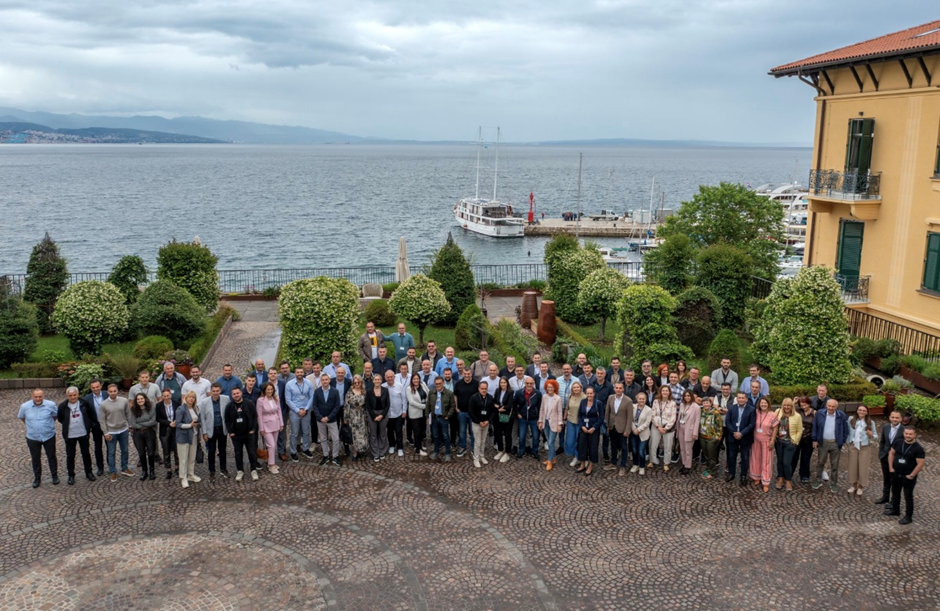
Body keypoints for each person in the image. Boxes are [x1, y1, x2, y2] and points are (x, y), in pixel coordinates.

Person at [885, 427, 926, 524]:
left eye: (910, 434)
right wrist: (891, 468)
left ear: (915, 435)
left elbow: (920, 464)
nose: (908, 436)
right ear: (903, 433)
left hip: (908, 476)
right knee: (895, 492)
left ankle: (908, 516)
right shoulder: (898, 442)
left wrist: (912, 475)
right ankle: (895, 510)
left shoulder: (918, 449)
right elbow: (891, 453)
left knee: (908, 496)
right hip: (896, 473)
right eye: (906, 433)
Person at [20, 389, 59, 487]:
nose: (38, 399)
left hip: (48, 436)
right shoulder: (25, 407)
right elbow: (22, 417)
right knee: (35, 458)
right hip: (33, 437)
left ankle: (54, 476)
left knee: (51, 456)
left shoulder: (51, 405)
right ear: (32, 396)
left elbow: (55, 416)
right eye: (36, 397)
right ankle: (37, 478)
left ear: (43, 396)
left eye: (40, 397)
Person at [57, 386, 96, 485]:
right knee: (70, 455)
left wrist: (89, 426)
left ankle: (89, 472)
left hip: (83, 433)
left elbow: (91, 415)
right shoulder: (62, 406)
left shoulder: (84, 403)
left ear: (78, 394)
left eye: (74, 395)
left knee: (86, 454)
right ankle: (71, 475)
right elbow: (61, 418)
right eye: (70, 395)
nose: (73, 397)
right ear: (67, 396)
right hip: (70, 435)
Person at [811, 399, 849, 493]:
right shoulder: (820, 413)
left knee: (834, 465)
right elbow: (815, 426)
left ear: (836, 407)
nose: (831, 408)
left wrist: (842, 441)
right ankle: (818, 480)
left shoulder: (842, 415)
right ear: (826, 406)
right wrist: (815, 439)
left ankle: (833, 483)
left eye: (833, 406)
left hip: (835, 443)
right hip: (823, 442)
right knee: (820, 462)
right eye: (829, 406)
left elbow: (845, 429)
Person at [100, 384, 135, 481]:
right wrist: (106, 433)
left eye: (114, 391)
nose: (113, 393)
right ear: (108, 392)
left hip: (123, 430)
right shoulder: (104, 404)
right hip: (111, 432)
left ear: (117, 391)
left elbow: (128, 414)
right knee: (111, 453)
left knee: (125, 450)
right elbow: (102, 420)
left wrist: (130, 425)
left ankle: (124, 468)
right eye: (111, 391)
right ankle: (113, 471)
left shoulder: (123, 401)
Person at [226, 387, 261, 481]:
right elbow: (227, 420)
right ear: (232, 395)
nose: (236, 395)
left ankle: (253, 470)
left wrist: (253, 429)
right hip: (236, 435)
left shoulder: (249, 403)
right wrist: (230, 432)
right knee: (238, 453)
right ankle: (240, 470)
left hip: (248, 433)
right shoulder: (229, 406)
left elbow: (254, 416)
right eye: (234, 394)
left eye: (237, 393)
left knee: (251, 452)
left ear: (241, 393)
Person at [199, 383, 232, 479]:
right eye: (213, 391)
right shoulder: (204, 402)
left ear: (220, 390)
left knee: (222, 450)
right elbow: (203, 418)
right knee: (211, 451)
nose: (215, 393)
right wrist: (204, 432)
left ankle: (223, 469)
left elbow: (229, 413)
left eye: (217, 391)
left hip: (222, 429)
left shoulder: (226, 399)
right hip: (210, 430)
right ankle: (212, 470)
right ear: (211, 391)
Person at [846, 404, 878, 497]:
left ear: (867, 412)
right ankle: (853, 484)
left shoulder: (870, 422)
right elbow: (847, 431)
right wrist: (848, 441)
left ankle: (860, 486)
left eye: (864, 410)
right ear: (857, 410)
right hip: (853, 445)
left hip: (864, 446)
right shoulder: (851, 419)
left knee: (863, 466)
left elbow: (876, 436)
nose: (862, 412)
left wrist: (871, 435)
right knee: (852, 466)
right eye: (860, 410)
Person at [725, 392, 755, 486]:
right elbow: (727, 421)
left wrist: (741, 433)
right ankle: (731, 473)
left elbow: (752, 424)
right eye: (739, 398)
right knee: (731, 456)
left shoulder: (751, 409)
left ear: (746, 399)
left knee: (745, 458)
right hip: (733, 436)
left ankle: (743, 475)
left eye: (743, 398)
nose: (741, 399)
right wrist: (734, 432)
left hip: (745, 437)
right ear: (737, 399)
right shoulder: (731, 408)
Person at [284, 367, 314, 462]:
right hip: (295, 412)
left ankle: (305, 448)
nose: (300, 373)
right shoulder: (289, 384)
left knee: (306, 431)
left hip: (306, 411)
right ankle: (293, 452)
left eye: (301, 372)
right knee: (294, 433)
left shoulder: (308, 383)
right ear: (295, 373)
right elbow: (288, 400)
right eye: (298, 372)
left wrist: (306, 409)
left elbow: (311, 397)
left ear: (303, 373)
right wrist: (298, 410)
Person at [604, 382, 634, 475]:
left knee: (624, 447)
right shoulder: (610, 398)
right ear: (614, 389)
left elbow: (630, 417)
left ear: (623, 389)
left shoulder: (628, 401)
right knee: (613, 446)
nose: (618, 389)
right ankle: (613, 463)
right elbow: (607, 412)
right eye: (616, 388)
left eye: (620, 388)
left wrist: (627, 430)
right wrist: (607, 426)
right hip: (612, 426)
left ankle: (623, 466)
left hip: (622, 428)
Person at [749, 397, 778, 492]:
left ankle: (765, 481)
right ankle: (756, 476)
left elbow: (775, 429)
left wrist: (772, 441)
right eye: (762, 403)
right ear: (759, 404)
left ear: (768, 404)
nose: (763, 405)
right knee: (756, 459)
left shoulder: (772, 414)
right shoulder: (756, 412)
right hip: (756, 439)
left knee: (766, 461)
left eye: (765, 403)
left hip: (766, 440)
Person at [876, 410, 905, 505]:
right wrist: (881, 453)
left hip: (896, 458)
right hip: (885, 456)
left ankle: (894, 500)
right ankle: (885, 496)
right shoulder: (886, 427)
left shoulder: (904, 430)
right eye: (893, 417)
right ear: (889, 417)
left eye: (897, 417)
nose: (895, 419)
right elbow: (882, 441)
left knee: (895, 480)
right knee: (886, 477)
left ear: (900, 419)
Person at [312, 374, 342, 466]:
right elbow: (315, 406)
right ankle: (325, 455)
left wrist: (329, 417)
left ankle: (335, 456)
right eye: (323, 380)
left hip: (331, 419)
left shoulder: (335, 391)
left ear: (329, 380)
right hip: (320, 420)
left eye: (326, 379)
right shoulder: (317, 392)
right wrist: (320, 417)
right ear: (321, 381)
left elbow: (337, 406)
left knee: (336, 439)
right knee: (323, 439)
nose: (325, 381)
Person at [774, 398, 802, 491]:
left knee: (787, 462)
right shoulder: (778, 412)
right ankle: (780, 478)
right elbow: (773, 424)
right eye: (785, 405)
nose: (786, 407)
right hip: (779, 442)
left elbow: (799, 430)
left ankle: (788, 480)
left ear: (792, 406)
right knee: (780, 461)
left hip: (790, 442)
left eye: (789, 405)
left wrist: (795, 441)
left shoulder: (797, 416)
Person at [128, 393, 158, 481]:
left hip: (149, 432)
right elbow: (133, 424)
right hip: (138, 434)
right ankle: (144, 471)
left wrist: (140, 423)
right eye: (138, 399)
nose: (140, 400)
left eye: (142, 398)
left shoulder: (151, 408)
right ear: (136, 401)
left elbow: (153, 421)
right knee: (141, 453)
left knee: (151, 452)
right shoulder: (133, 410)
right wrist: (146, 423)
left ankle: (152, 471)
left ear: (145, 399)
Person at [175, 391, 202, 488]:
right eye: (189, 397)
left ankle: (191, 474)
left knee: (192, 457)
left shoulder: (196, 408)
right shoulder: (181, 409)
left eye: (193, 397)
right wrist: (189, 425)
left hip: (194, 436)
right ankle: (183, 478)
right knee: (183, 459)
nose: (191, 399)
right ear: (185, 398)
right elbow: (177, 424)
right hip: (183, 437)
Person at [256, 382, 283, 474]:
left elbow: (279, 411)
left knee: (273, 445)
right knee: (271, 445)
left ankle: (270, 461)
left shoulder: (276, 398)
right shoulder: (260, 400)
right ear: (264, 390)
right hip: (266, 425)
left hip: (276, 423)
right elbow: (259, 415)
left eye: (271, 389)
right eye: (268, 389)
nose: (270, 391)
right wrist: (261, 428)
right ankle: (271, 465)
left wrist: (281, 424)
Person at [426, 376, 455, 461]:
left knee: (445, 436)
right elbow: (428, 404)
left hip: (443, 418)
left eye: (440, 383)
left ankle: (447, 453)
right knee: (435, 435)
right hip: (434, 418)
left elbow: (452, 405)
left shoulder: (449, 393)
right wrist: (427, 416)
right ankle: (436, 451)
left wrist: (448, 415)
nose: (438, 385)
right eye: (436, 384)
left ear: (443, 383)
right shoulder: (431, 392)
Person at [648, 386, 677, 473]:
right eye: (663, 390)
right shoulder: (656, 402)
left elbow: (673, 417)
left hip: (667, 428)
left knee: (668, 446)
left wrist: (666, 428)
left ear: (669, 392)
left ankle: (666, 463)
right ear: (660, 392)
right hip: (656, 426)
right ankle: (652, 461)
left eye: (666, 391)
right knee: (653, 444)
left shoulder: (673, 403)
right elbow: (652, 415)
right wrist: (658, 427)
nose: (665, 392)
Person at [576, 387, 603, 476]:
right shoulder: (583, 402)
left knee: (593, 447)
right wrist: (582, 426)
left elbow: (601, 418)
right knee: (582, 446)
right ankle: (582, 464)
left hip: (593, 429)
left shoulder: (598, 403)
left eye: (591, 393)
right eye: (588, 393)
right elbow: (579, 415)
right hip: (584, 428)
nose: (589, 395)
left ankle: (590, 466)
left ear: (594, 394)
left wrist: (594, 427)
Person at [468, 381, 495, 468]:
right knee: (477, 442)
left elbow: (493, 411)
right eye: (482, 389)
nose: (484, 390)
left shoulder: (490, 397)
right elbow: (470, 411)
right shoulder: (474, 398)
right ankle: (476, 458)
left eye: (485, 389)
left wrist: (488, 421)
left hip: (486, 423)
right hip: (477, 423)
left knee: (483, 441)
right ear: (479, 389)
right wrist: (478, 421)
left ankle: (482, 456)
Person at [84, 379, 108, 476]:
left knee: (110, 446)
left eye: (97, 387)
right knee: (98, 447)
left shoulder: (107, 394)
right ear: (91, 388)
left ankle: (111, 465)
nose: (96, 389)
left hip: (107, 425)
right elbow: (86, 414)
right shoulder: (87, 398)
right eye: (93, 387)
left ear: (101, 386)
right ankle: (100, 467)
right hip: (96, 425)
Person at [537, 379, 563, 470]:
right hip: (546, 422)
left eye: (551, 387)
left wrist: (560, 424)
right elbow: (542, 410)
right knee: (548, 441)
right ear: (546, 388)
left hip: (554, 423)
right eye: (548, 387)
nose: (550, 389)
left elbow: (560, 412)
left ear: (555, 388)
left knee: (551, 442)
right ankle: (554, 458)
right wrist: (540, 421)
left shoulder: (558, 398)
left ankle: (549, 460)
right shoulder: (544, 397)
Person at [453, 368, 478, 458]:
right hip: (461, 412)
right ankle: (463, 447)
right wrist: (456, 407)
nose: (466, 375)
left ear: (471, 374)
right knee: (462, 431)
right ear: (463, 374)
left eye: (468, 373)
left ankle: (473, 448)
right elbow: (455, 395)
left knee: (473, 432)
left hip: (473, 413)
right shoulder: (458, 383)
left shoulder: (476, 383)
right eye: (465, 373)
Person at [155, 388, 180, 479]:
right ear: (162, 396)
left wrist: (175, 421)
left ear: (171, 395)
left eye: (168, 395)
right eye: (164, 396)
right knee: (166, 451)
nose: (166, 397)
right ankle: (168, 469)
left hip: (176, 429)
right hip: (165, 430)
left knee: (177, 450)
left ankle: (178, 467)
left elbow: (180, 414)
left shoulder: (176, 403)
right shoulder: (159, 406)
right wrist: (168, 423)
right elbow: (158, 418)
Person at [515, 377, 541, 459]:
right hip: (523, 418)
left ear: (533, 383)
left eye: (531, 383)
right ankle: (522, 451)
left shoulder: (538, 393)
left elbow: (540, 406)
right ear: (524, 383)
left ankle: (535, 451)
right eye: (527, 383)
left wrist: (539, 417)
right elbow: (515, 404)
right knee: (522, 436)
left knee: (536, 436)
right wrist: (518, 414)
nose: (529, 385)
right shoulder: (519, 393)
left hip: (534, 418)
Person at [365, 373, 390, 461]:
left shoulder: (385, 390)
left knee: (382, 433)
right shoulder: (369, 391)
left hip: (383, 413)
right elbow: (367, 405)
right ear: (373, 381)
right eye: (375, 379)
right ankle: (375, 453)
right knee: (373, 434)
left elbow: (388, 404)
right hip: (372, 414)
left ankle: (382, 451)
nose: (377, 381)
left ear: (381, 380)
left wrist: (382, 415)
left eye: (378, 379)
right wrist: (373, 416)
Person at [345, 375, 370, 460]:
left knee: (362, 434)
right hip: (352, 416)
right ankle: (355, 452)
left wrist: (367, 416)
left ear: (361, 382)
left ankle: (361, 450)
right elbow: (346, 405)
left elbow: (367, 405)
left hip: (362, 416)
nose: (357, 384)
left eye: (358, 382)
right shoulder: (350, 391)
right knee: (353, 435)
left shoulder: (364, 392)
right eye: (355, 382)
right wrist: (346, 417)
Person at [676, 390, 701, 475]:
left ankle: (688, 466)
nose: (687, 397)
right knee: (682, 449)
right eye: (685, 396)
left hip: (689, 430)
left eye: (689, 396)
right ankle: (683, 463)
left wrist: (695, 433)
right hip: (681, 429)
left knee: (688, 450)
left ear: (692, 397)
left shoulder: (696, 407)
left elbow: (697, 421)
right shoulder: (682, 405)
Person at [792, 396, 816, 483]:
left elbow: (816, 427)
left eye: (805, 405)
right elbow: (787, 409)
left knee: (806, 458)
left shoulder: (814, 413)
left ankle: (804, 475)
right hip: (797, 438)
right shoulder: (798, 411)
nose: (803, 407)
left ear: (809, 404)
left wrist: (815, 439)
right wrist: (794, 402)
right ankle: (789, 474)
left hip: (808, 439)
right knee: (794, 457)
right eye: (801, 405)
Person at [384, 369, 407, 457]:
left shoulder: (399, 386)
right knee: (389, 431)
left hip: (398, 413)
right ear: (385, 378)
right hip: (388, 414)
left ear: (394, 377)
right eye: (388, 377)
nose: (390, 378)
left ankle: (400, 447)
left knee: (399, 431)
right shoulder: (383, 386)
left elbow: (404, 399)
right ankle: (392, 445)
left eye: (391, 377)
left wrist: (404, 411)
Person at [698, 397, 723, 480]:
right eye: (704, 403)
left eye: (707, 402)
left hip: (712, 437)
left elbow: (720, 426)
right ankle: (708, 468)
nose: (705, 404)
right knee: (706, 454)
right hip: (703, 436)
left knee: (711, 455)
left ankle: (712, 472)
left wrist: (718, 437)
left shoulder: (715, 413)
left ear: (711, 403)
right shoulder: (702, 412)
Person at [406, 373, 430, 458]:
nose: (416, 380)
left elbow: (428, 393)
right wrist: (424, 406)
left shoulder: (423, 385)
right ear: (412, 380)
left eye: (417, 379)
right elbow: (411, 402)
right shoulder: (409, 389)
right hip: (415, 412)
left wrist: (428, 404)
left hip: (423, 412)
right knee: (417, 430)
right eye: (414, 379)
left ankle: (418, 444)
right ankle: (418, 449)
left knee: (423, 429)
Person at [493, 377, 515, 463]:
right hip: (498, 415)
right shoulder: (497, 391)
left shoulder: (510, 392)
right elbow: (494, 402)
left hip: (507, 416)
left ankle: (507, 452)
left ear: (507, 383)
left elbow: (509, 405)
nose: (502, 384)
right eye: (501, 382)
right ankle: (500, 450)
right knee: (498, 434)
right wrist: (498, 408)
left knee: (507, 434)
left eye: (504, 383)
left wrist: (500, 407)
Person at [630, 392, 652, 475]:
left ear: (645, 400)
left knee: (641, 451)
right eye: (640, 399)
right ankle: (635, 465)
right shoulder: (633, 407)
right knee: (634, 450)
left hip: (643, 433)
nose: (641, 400)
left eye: (643, 399)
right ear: (637, 399)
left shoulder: (649, 410)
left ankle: (642, 466)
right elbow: (630, 419)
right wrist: (633, 428)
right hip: (633, 432)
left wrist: (638, 429)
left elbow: (647, 423)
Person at [564, 381, 584, 467]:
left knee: (578, 440)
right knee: (570, 440)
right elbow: (567, 408)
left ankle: (577, 457)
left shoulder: (584, 397)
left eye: (577, 387)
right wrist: (564, 419)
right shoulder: (570, 396)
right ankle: (573, 454)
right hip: (570, 421)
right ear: (572, 389)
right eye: (574, 387)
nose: (576, 389)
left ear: (580, 388)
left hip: (580, 422)